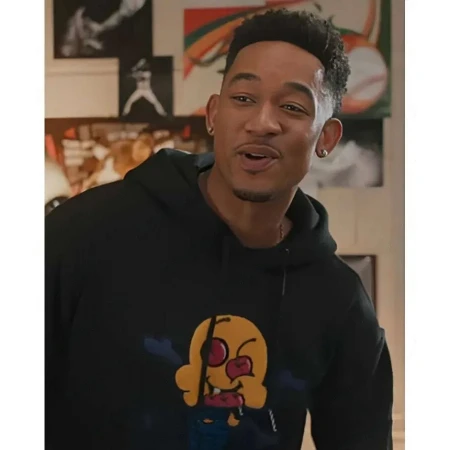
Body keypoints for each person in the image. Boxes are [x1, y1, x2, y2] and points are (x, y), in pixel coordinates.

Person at [46, 9, 393, 450]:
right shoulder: (85, 234)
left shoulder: (338, 300)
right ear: (213, 114)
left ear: (326, 138)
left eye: (292, 107)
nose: (262, 123)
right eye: (244, 98)